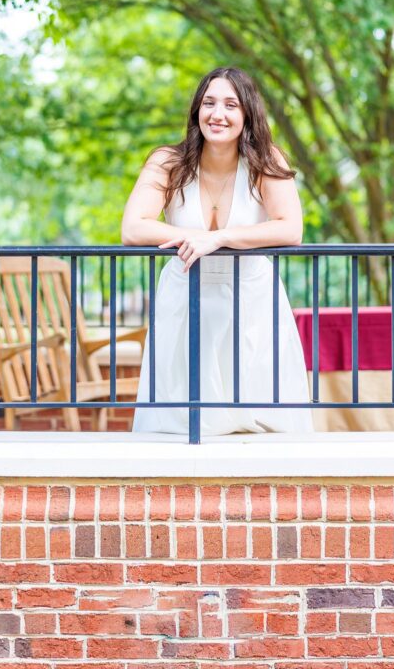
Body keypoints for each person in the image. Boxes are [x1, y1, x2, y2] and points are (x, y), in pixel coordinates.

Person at [122, 66, 313, 435]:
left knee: (261, 420)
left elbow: (291, 227)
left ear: (247, 114)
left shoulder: (267, 161)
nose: (217, 114)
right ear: (196, 111)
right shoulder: (168, 162)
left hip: (253, 304)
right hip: (184, 301)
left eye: (230, 104)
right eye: (208, 103)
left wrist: (220, 237)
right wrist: (192, 235)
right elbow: (133, 227)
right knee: (179, 425)